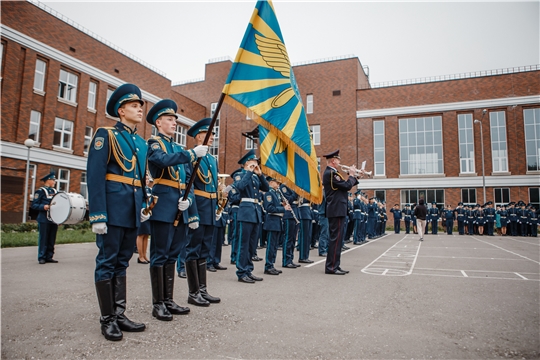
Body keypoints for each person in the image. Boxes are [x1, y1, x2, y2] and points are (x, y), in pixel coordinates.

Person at [87, 83, 148, 341]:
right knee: (107, 260)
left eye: (140, 106)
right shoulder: (106, 134)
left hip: (132, 209)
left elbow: (142, 179)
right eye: (134, 106)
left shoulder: (141, 143)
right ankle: (107, 318)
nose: (140, 110)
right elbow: (95, 175)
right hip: (112, 209)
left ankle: (119, 313)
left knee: (122, 261)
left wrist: (144, 205)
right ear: (121, 111)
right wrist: (98, 214)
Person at [146, 99, 207, 319]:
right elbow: (161, 161)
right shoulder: (154, 144)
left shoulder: (177, 148)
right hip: (163, 205)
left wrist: (189, 201)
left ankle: (169, 300)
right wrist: (192, 154)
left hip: (179, 206)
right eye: (169, 119)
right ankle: (158, 303)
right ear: (158, 122)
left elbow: (189, 179)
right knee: (159, 254)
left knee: (172, 254)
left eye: (175, 119)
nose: (174, 123)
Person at [184, 118, 221, 305]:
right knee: (193, 248)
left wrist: (217, 208)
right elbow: (188, 185)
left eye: (213, 134)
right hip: (198, 206)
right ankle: (193, 292)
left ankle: (203, 289)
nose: (213, 137)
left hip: (210, 207)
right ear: (199, 136)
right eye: (209, 134)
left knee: (205, 249)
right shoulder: (192, 156)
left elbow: (214, 185)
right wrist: (192, 212)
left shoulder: (212, 159)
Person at [234, 150, 270, 283]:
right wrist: (249, 172)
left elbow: (266, 189)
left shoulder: (255, 176)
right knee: (244, 243)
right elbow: (240, 187)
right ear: (246, 163)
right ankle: (241, 271)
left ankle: (248, 269)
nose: (256, 164)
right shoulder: (240, 174)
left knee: (252, 244)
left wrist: (260, 175)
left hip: (255, 212)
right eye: (253, 161)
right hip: (246, 212)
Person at [322, 150, 359, 275]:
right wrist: (352, 175)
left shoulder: (334, 173)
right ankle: (331, 267)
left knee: (338, 239)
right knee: (335, 240)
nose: (339, 162)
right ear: (333, 161)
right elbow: (347, 185)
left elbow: (346, 184)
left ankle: (335, 265)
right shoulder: (331, 173)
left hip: (338, 209)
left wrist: (354, 176)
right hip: (336, 209)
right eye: (338, 160)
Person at [262, 176, 289, 275]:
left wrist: (283, 205)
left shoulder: (276, 194)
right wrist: (283, 208)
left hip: (277, 221)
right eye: (276, 183)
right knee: (271, 245)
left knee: (275, 245)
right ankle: (268, 266)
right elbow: (269, 208)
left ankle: (272, 265)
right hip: (272, 221)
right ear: (270, 182)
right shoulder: (269, 193)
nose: (278, 185)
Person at [31, 172, 59, 264]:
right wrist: (43, 207)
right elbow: (34, 205)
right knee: (44, 238)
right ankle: (42, 256)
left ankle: (49, 256)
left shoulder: (55, 192)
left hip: (54, 219)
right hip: (44, 218)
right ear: (48, 180)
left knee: (52, 238)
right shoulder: (40, 191)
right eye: (53, 180)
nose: (54, 182)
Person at [136, 177, 153, 264]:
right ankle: (140, 256)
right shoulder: (139, 189)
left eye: (147, 179)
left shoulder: (149, 190)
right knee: (140, 234)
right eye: (145, 179)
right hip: (142, 213)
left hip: (148, 214)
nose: (146, 181)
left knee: (146, 235)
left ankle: (145, 255)